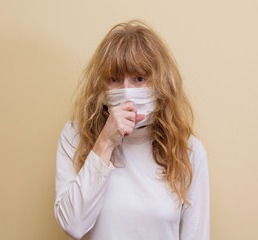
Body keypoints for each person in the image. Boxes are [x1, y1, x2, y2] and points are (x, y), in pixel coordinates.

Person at [54, 20, 210, 240]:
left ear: (160, 84)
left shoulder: (188, 151)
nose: (127, 92)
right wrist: (105, 143)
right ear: (102, 85)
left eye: (139, 79)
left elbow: (197, 234)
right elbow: (73, 225)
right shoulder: (74, 136)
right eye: (114, 79)